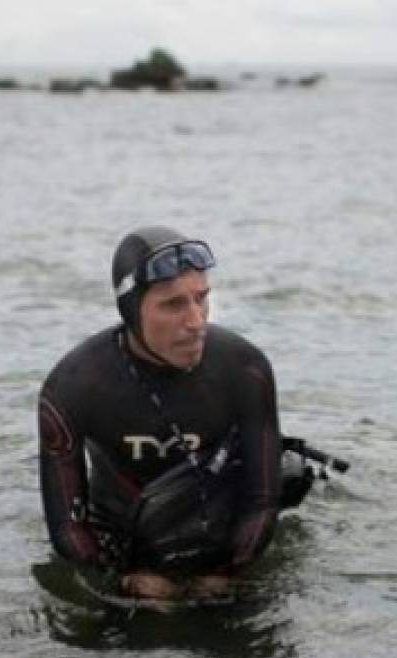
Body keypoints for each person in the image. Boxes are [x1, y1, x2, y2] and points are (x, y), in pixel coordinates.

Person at [38, 226, 283, 601]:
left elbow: (263, 501)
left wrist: (227, 572)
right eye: (173, 305)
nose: (197, 321)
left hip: (219, 528)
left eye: (202, 299)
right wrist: (120, 577)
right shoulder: (76, 384)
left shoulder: (244, 368)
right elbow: (67, 526)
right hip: (124, 534)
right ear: (130, 310)